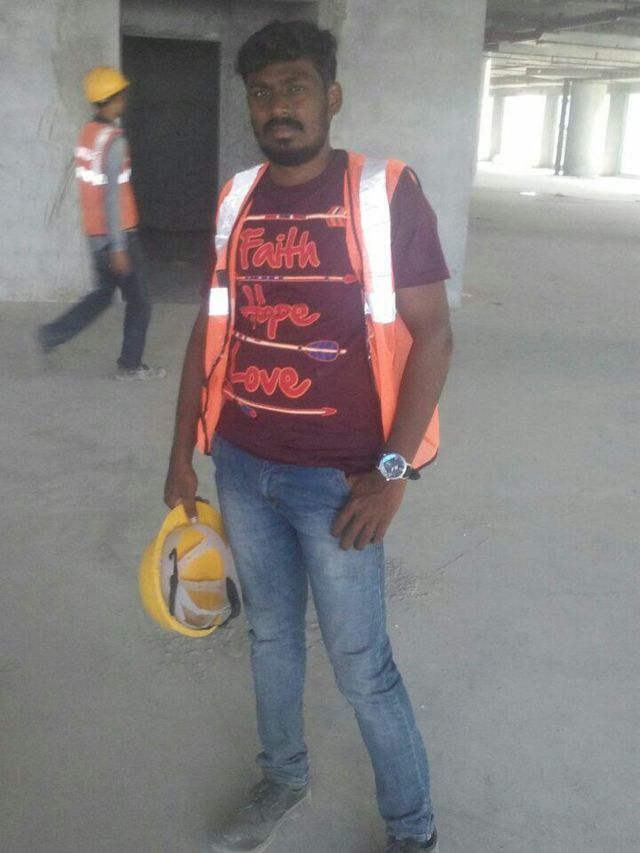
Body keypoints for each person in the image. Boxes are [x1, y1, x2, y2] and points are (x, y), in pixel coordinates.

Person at [164, 20, 452, 853]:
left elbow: (434, 335)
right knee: (270, 636)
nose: (277, 107)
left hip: (341, 479)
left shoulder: (384, 192)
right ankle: (284, 775)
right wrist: (180, 451)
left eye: (294, 88)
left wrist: (391, 471)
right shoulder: (237, 200)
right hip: (242, 463)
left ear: (331, 97)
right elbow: (208, 330)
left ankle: (412, 828)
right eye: (261, 93)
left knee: (362, 664)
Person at [37, 66, 165, 381]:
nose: (124, 100)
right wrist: (118, 247)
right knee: (140, 302)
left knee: (102, 295)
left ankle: (51, 334)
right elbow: (112, 197)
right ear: (112, 99)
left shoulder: (88, 134)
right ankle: (130, 365)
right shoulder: (114, 142)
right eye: (121, 95)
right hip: (119, 237)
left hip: (95, 235)